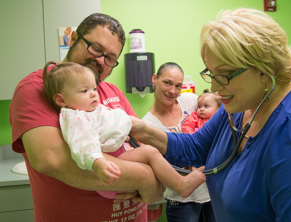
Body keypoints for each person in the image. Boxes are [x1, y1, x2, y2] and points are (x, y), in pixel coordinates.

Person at [129, 8, 291, 222]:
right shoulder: (240, 108)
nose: (215, 87)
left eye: (225, 75)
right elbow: (196, 146)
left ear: (265, 69)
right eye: (211, 73)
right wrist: (142, 130)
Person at [9, 13, 165, 222]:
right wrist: (147, 179)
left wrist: (158, 180)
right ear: (73, 39)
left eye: (110, 58)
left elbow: (139, 145)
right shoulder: (37, 88)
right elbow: (52, 159)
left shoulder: (113, 92)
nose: (100, 60)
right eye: (96, 48)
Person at [43, 61, 206, 199]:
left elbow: (113, 120)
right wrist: (99, 164)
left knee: (150, 154)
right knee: (150, 153)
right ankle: (181, 185)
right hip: (106, 169)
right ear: (61, 99)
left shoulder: (89, 109)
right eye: (84, 91)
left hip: (117, 158)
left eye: (94, 88)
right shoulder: (76, 118)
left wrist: (122, 131)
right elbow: (83, 146)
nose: (93, 94)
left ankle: (178, 182)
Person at [142, 62, 216, 222]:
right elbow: (160, 168)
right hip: (182, 202)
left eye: (178, 86)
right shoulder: (147, 126)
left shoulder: (191, 101)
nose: (172, 91)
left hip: (211, 191)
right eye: (167, 83)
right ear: (154, 79)